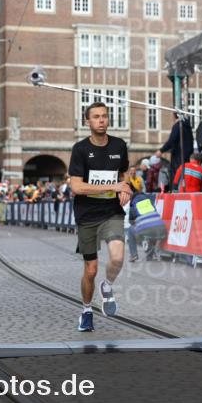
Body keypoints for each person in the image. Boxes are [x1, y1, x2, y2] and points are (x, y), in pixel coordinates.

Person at [68, 101, 132, 331]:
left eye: (104, 116)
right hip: (87, 215)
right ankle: (86, 310)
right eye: (96, 117)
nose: (101, 120)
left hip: (111, 212)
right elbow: (76, 187)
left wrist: (126, 187)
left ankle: (107, 286)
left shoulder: (119, 145)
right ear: (88, 122)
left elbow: (125, 173)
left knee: (117, 257)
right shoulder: (80, 149)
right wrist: (111, 188)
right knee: (91, 269)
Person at [157, 113, 193, 192]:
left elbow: (172, 140)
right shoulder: (188, 127)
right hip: (187, 158)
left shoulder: (178, 126)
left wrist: (161, 150)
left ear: (174, 116)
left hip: (178, 157)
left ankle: (175, 191)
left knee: (176, 177)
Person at [129, 192, 167, 261]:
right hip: (161, 229)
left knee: (131, 230)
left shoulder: (133, 204)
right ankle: (153, 253)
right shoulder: (150, 201)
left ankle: (134, 255)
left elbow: (131, 221)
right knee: (150, 227)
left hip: (146, 230)